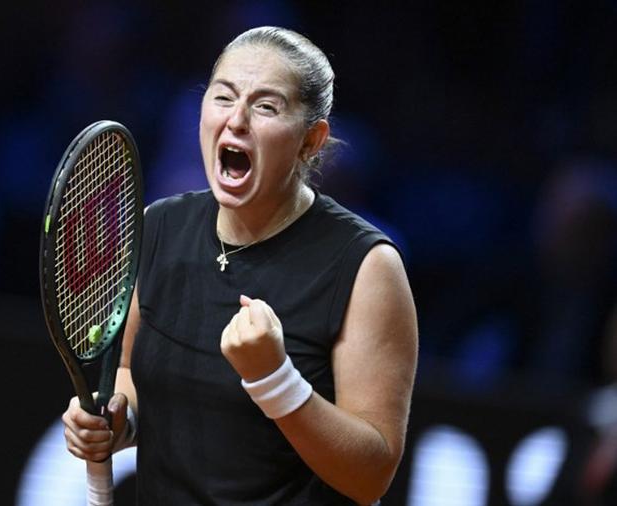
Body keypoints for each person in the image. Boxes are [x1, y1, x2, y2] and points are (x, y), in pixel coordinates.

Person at [63, 26, 418, 505]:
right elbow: (129, 369)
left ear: (311, 141)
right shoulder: (160, 227)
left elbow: (370, 476)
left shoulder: (367, 267)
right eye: (223, 97)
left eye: (267, 107)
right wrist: (116, 423)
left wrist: (275, 381)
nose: (237, 121)